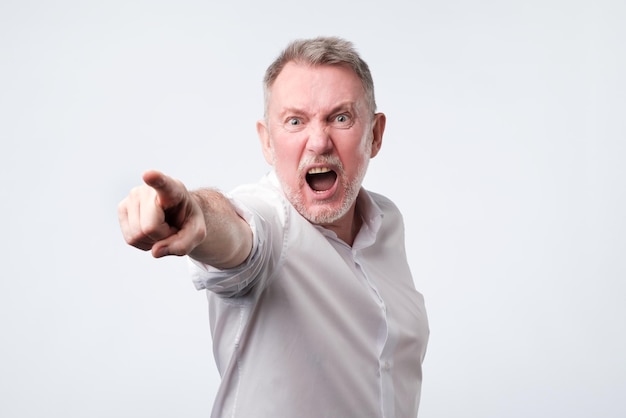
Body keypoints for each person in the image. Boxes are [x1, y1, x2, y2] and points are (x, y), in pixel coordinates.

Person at [118, 36, 429, 418]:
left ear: (375, 135)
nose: (318, 142)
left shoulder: (387, 223)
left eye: (341, 117)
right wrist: (194, 214)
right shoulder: (271, 224)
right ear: (267, 142)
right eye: (295, 121)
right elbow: (237, 232)